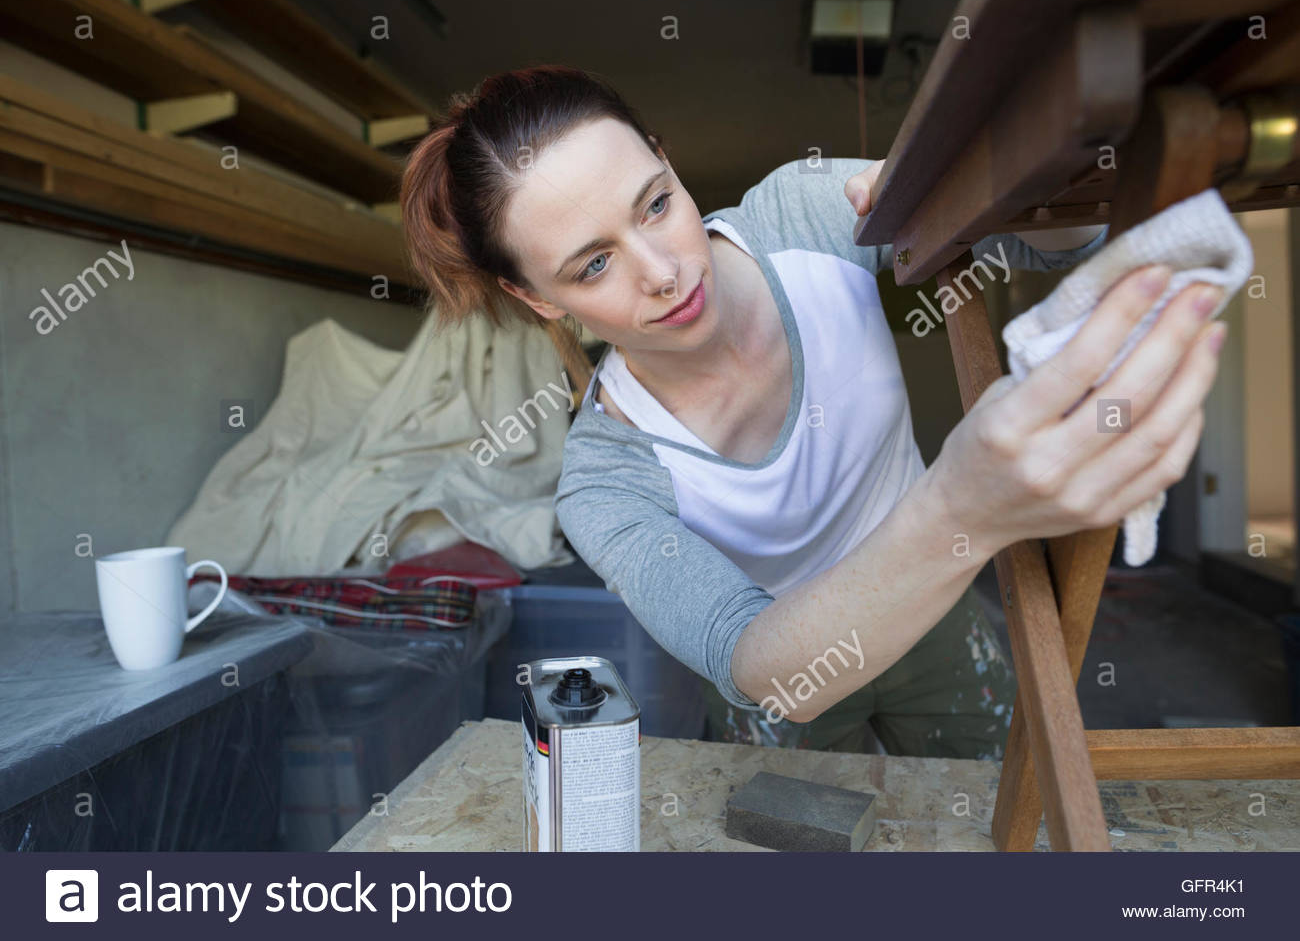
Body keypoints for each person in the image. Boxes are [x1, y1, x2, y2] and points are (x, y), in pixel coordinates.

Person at [400, 65, 1228, 758]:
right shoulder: (604, 482)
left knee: (1000, 813)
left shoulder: (805, 216)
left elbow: (1045, 239)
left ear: (666, 160)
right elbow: (752, 662)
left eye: (655, 204)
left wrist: (1028, 168)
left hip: (938, 615)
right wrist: (962, 505)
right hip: (792, 678)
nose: (662, 271)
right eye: (591, 267)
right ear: (532, 296)